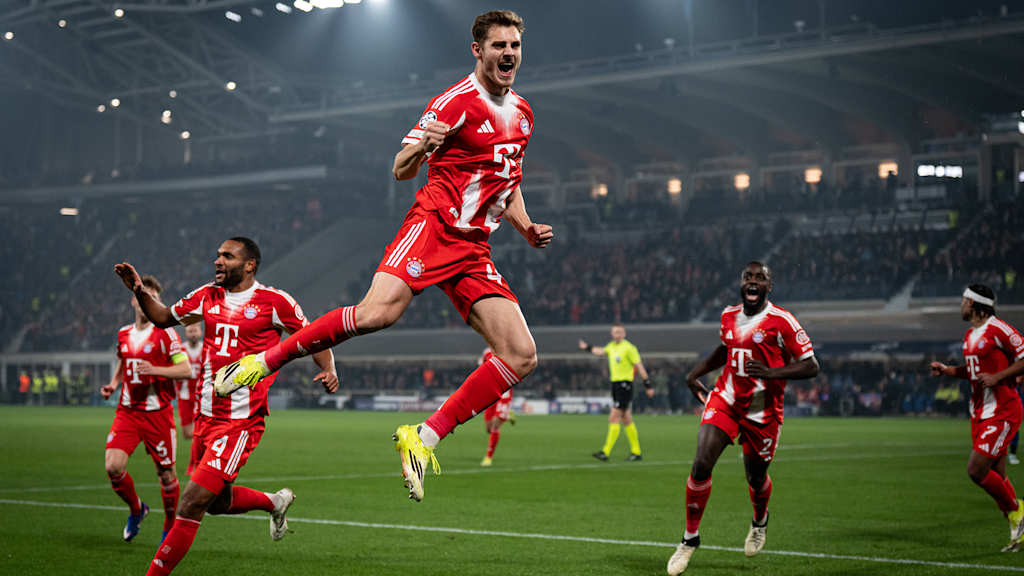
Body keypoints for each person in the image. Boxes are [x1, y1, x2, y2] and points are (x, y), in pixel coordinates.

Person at [215, 10, 552, 503]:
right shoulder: (453, 103)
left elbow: (509, 180)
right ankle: (262, 362)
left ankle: (424, 437)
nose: (509, 54)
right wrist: (422, 150)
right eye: (499, 45)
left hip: (474, 247)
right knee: (377, 314)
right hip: (434, 227)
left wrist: (524, 227)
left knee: (522, 355)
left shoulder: (523, 113)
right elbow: (399, 168)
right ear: (477, 51)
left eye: (515, 45)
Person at [113, 236, 338, 576]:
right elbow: (162, 317)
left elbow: (311, 335)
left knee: (191, 502)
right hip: (206, 417)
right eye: (217, 255)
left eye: (228, 256)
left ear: (250, 265)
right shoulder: (206, 296)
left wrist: (328, 368)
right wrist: (138, 290)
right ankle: (275, 502)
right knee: (216, 503)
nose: (218, 261)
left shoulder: (274, 302)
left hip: (240, 421)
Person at [667, 262, 819, 575]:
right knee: (701, 463)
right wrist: (695, 373)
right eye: (748, 277)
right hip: (726, 400)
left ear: (769, 286)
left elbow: (811, 365)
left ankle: (760, 520)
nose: (752, 282)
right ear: (741, 284)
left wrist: (771, 372)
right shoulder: (728, 315)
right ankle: (689, 539)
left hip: (763, 412)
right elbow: (726, 348)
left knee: (755, 476)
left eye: (759, 278)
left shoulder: (783, 322)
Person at [929, 284, 1024, 551]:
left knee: (976, 470)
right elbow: (973, 372)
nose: (960, 305)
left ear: (973, 304)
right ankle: (1019, 531)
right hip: (980, 413)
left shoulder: (999, 329)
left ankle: (1019, 511)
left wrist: (998, 377)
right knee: (997, 475)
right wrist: (948, 370)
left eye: (963, 300)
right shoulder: (971, 335)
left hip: (1003, 410)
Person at [100, 275, 192, 542]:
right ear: (134, 300)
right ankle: (137, 509)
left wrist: (156, 370)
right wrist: (114, 383)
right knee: (113, 467)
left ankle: (170, 525)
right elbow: (123, 360)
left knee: (166, 475)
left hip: (157, 414)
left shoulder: (166, 333)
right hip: (127, 411)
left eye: (153, 298)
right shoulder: (124, 333)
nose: (147, 302)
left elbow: (185, 368)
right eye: (143, 297)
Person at [578, 323, 652, 461]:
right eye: (614, 332)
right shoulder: (611, 346)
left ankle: (605, 452)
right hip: (616, 386)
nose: (616, 334)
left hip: (625, 385)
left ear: (624, 334)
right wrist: (587, 348)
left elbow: (639, 366)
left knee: (613, 417)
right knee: (626, 419)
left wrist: (647, 384)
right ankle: (636, 452)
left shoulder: (629, 348)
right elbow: (600, 352)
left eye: (619, 332)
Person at [480, 347, 515, 466]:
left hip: (504, 393)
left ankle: (488, 457)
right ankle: (508, 415)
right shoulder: (486, 353)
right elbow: (482, 370)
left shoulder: (507, 350)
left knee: (495, 426)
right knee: (488, 429)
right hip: (491, 393)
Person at [177, 323, 203, 444]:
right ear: (186, 333)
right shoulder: (180, 350)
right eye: (190, 331)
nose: (193, 334)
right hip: (185, 396)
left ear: (200, 332)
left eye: (195, 331)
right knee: (187, 434)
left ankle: (198, 456)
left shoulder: (206, 349)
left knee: (201, 430)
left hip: (202, 397)